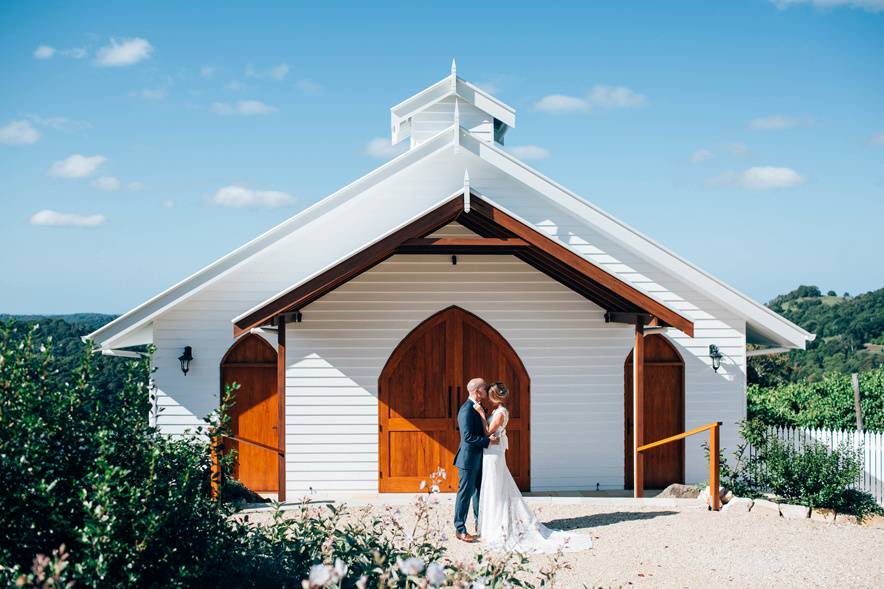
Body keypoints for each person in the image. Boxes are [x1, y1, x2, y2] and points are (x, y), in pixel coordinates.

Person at [474, 381, 593, 553]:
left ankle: (499, 525)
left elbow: (487, 432)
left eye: (490, 394)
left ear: (494, 396)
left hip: (494, 453)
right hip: (491, 451)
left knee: (496, 485)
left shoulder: (500, 413)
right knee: (495, 486)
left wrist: (480, 414)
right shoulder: (497, 411)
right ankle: (492, 524)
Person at [453, 377, 499, 543]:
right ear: (477, 391)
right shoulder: (466, 410)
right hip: (468, 459)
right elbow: (467, 437)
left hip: (481, 458)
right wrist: (489, 441)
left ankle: (481, 525)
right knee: (464, 494)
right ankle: (460, 529)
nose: (487, 391)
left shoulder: (478, 407)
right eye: (485, 388)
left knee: (480, 492)